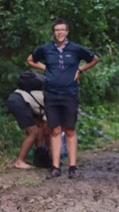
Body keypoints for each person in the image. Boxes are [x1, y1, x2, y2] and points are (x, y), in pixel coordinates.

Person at [26, 18, 99, 179]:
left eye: (62, 30)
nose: (59, 33)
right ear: (54, 32)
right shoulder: (46, 49)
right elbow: (30, 60)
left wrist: (80, 69)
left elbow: (94, 59)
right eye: (57, 30)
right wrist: (44, 67)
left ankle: (73, 166)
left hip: (70, 93)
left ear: (67, 32)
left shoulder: (76, 49)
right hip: (51, 94)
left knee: (70, 130)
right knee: (55, 130)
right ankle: (55, 166)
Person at [6, 87, 50, 169]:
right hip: (19, 101)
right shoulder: (52, 105)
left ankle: (39, 153)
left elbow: (42, 126)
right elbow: (46, 131)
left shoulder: (47, 98)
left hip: (16, 98)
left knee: (38, 126)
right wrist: (51, 149)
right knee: (33, 132)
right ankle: (19, 161)